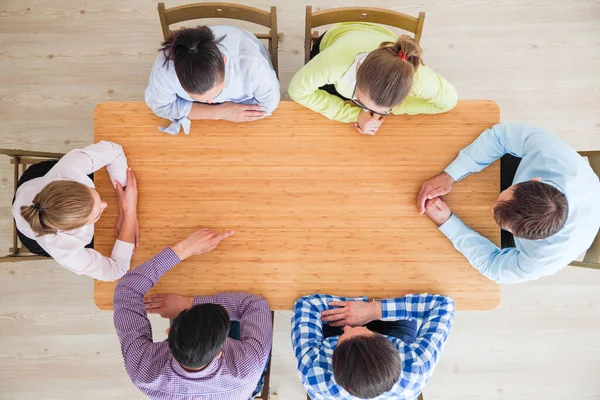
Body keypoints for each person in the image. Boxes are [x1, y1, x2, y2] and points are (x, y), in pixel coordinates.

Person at [417, 122, 600, 284]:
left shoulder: (544, 259)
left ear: (537, 239)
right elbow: (500, 136)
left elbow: (494, 267)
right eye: (502, 198)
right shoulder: (551, 153)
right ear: (535, 180)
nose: (491, 207)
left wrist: (447, 222)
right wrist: (450, 175)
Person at [113, 227, 273, 400]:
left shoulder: (143, 371)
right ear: (220, 351)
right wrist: (189, 303)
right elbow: (255, 304)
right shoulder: (248, 365)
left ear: (170, 332)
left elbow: (127, 290)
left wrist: (184, 249)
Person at [288, 22, 458, 136]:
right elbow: (296, 91)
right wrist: (354, 114)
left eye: (385, 110)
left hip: (378, 35)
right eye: (360, 101)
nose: (372, 114)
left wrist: (388, 111)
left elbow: (449, 102)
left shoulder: (419, 78)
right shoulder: (334, 65)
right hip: (337, 37)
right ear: (358, 69)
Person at [11, 141, 139, 281]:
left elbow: (114, 151)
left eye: (93, 192)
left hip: (34, 179)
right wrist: (130, 214)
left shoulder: (68, 169)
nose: (106, 204)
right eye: (97, 214)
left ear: (73, 182)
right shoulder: (64, 249)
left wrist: (124, 206)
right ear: (75, 228)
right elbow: (116, 271)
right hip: (32, 236)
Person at [291, 293, 455, 399]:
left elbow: (306, 304)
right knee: (400, 289)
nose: (349, 327)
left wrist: (362, 307)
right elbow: (442, 305)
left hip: (334, 338)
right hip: (395, 331)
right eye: (363, 330)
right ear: (389, 346)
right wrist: (374, 310)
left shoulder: (313, 373)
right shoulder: (416, 367)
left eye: (344, 335)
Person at [145, 25, 280, 135]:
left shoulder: (253, 66)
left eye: (215, 95)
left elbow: (267, 106)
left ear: (224, 61)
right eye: (200, 99)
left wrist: (194, 109)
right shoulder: (164, 70)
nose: (210, 103)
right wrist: (219, 112)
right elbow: (160, 106)